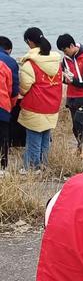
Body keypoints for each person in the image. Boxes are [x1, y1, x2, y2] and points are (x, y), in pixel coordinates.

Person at [18, 27, 62, 173]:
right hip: (52, 105)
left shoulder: (30, 63)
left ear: (29, 42)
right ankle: (43, 165)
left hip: (35, 106)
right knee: (44, 138)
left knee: (33, 140)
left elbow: (24, 87)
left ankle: (32, 167)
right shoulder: (56, 60)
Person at [56, 34, 83, 157]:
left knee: (79, 121)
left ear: (72, 46)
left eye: (65, 50)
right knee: (75, 125)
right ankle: (80, 147)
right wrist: (66, 79)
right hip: (72, 96)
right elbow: (63, 77)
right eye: (62, 51)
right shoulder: (65, 60)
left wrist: (74, 81)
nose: (65, 53)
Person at [0, 36, 19, 176]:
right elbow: (13, 90)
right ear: (9, 49)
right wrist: (11, 107)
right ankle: (2, 167)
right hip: (2, 106)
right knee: (3, 138)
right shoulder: (9, 63)